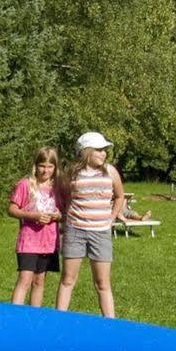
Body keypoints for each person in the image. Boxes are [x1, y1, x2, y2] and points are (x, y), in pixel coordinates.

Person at [56, 131, 125, 317]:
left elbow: (119, 197)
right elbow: (63, 198)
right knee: (68, 280)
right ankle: (58, 321)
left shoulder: (110, 171)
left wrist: (111, 219)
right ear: (86, 151)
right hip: (75, 232)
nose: (104, 153)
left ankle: (110, 324)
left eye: (105, 150)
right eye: (99, 150)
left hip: (100, 234)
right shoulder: (71, 173)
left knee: (102, 283)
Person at [7, 147, 62, 306]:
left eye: (50, 166)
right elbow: (12, 209)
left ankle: (34, 317)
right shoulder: (26, 184)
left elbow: (63, 212)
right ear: (35, 166)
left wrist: (58, 216)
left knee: (39, 281)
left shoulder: (57, 187)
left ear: (55, 168)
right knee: (25, 279)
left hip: (48, 242)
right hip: (29, 241)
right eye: (42, 166)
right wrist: (33, 216)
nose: (46, 170)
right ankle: (15, 317)